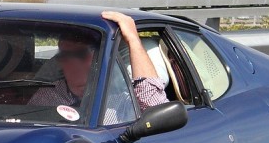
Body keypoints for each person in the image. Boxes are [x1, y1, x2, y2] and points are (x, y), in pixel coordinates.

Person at [28, 12, 167, 123]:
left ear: (98, 57)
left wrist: (133, 40)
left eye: (80, 54)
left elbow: (156, 110)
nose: (73, 63)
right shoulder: (48, 95)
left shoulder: (122, 96)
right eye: (65, 56)